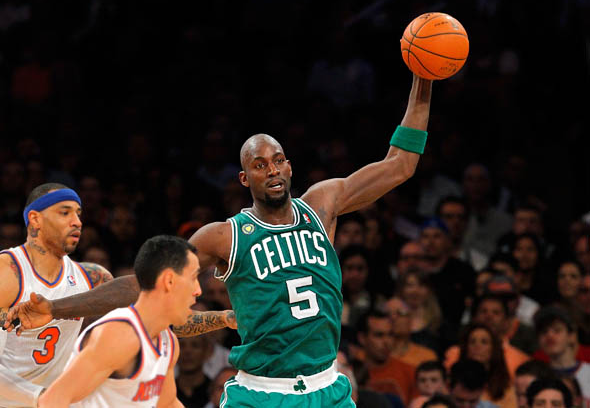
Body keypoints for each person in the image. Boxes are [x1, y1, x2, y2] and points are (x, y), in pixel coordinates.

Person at [7, 74, 434, 406]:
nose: (272, 170)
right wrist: (56, 308)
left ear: (289, 167)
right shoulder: (224, 236)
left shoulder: (322, 205)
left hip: (328, 387)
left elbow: (400, 165)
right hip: (262, 393)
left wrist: (424, 77)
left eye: (278, 161)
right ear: (245, 179)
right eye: (260, 165)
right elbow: (145, 285)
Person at [38, 235, 198, 407]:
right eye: (193, 278)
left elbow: (167, 403)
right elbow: (52, 400)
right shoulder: (120, 335)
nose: (198, 290)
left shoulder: (168, 340)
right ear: (169, 281)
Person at [0, 183, 113, 407]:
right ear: (35, 219)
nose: (77, 222)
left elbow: (148, 315)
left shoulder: (92, 277)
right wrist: (40, 396)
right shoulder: (8, 272)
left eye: (78, 214)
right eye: (65, 213)